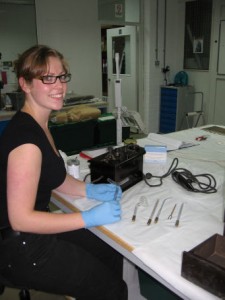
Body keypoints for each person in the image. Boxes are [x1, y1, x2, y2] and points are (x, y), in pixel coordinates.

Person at [0, 45, 128, 300]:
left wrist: (89, 189)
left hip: (32, 232)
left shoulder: (39, 123)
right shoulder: (26, 141)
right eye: (47, 78)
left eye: (61, 76)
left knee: (110, 250)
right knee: (112, 290)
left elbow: (54, 178)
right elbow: (21, 220)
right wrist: (88, 218)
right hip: (22, 246)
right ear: (25, 84)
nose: (59, 85)